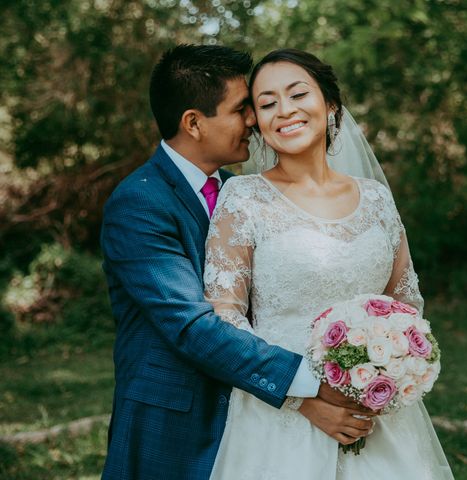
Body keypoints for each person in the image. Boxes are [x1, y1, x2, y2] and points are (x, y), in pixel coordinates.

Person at [100, 44, 373, 480]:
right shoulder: (140, 203)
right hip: (174, 423)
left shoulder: (242, 191)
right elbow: (192, 326)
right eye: (242, 108)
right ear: (193, 122)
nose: (254, 121)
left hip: (254, 414)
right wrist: (313, 388)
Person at [205, 49, 454, 479]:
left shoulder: (375, 197)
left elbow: (405, 305)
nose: (285, 110)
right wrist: (304, 399)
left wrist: (387, 372)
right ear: (259, 123)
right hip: (279, 420)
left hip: (374, 417)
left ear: (330, 105)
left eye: (298, 94)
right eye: (266, 103)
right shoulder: (243, 199)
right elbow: (225, 317)